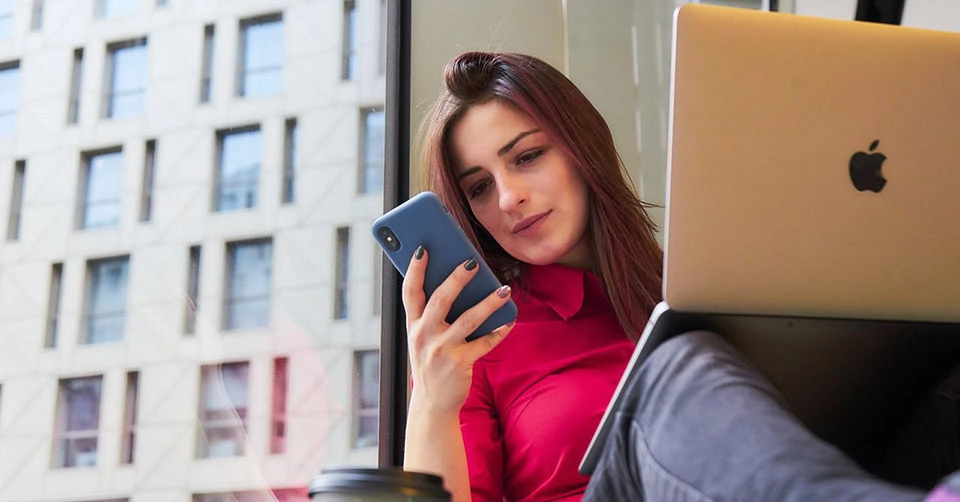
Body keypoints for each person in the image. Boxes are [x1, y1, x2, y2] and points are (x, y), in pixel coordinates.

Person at [399, 51, 955, 502]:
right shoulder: (478, 343)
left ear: (581, 148)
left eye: (526, 157)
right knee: (673, 364)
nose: (509, 197)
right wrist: (433, 401)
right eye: (478, 188)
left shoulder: (705, 282)